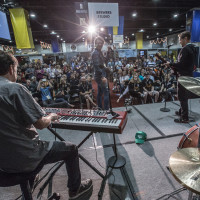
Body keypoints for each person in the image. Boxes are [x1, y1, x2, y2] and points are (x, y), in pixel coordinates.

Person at [0, 51, 92, 200]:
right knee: (71, 149)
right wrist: (51, 116)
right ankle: (75, 190)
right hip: (26, 158)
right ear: (11, 68)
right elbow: (41, 123)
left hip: (2, 165)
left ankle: (28, 189)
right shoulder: (15, 89)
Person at [165, 31, 197, 123]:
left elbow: (182, 64)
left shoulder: (186, 49)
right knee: (184, 96)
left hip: (183, 76)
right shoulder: (193, 48)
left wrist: (170, 63)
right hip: (189, 75)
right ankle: (181, 111)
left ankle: (184, 117)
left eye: (180, 39)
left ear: (185, 39)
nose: (179, 41)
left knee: (182, 96)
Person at [92, 36, 109, 110]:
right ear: (95, 43)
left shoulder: (99, 52)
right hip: (100, 76)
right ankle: (106, 110)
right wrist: (103, 77)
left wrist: (108, 52)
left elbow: (103, 62)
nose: (100, 44)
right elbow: (97, 66)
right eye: (98, 43)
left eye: (101, 43)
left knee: (100, 93)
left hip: (100, 74)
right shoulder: (95, 53)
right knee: (106, 92)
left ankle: (99, 108)